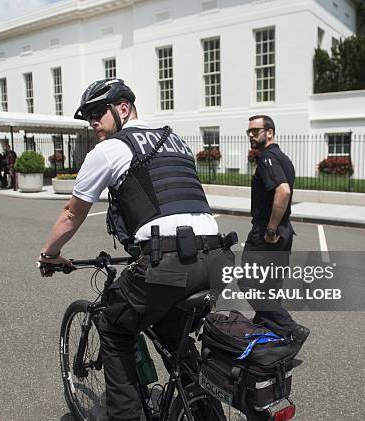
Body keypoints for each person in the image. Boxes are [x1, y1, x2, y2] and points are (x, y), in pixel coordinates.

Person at [38, 78, 233, 421]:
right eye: (88, 117)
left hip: (172, 261)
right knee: (175, 334)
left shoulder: (111, 149)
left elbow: (71, 212)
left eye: (98, 112)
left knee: (113, 327)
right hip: (217, 257)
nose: (93, 121)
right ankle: (203, 409)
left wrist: (49, 254)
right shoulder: (175, 141)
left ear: (123, 108)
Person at [240, 114, 309, 344]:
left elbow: (284, 191)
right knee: (270, 287)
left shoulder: (268, 158)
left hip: (267, 234)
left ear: (269, 132)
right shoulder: (283, 157)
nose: (251, 135)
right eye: (249, 131)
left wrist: (270, 230)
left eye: (256, 130)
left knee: (249, 284)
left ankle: (292, 330)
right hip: (285, 233)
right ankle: (271, 337)